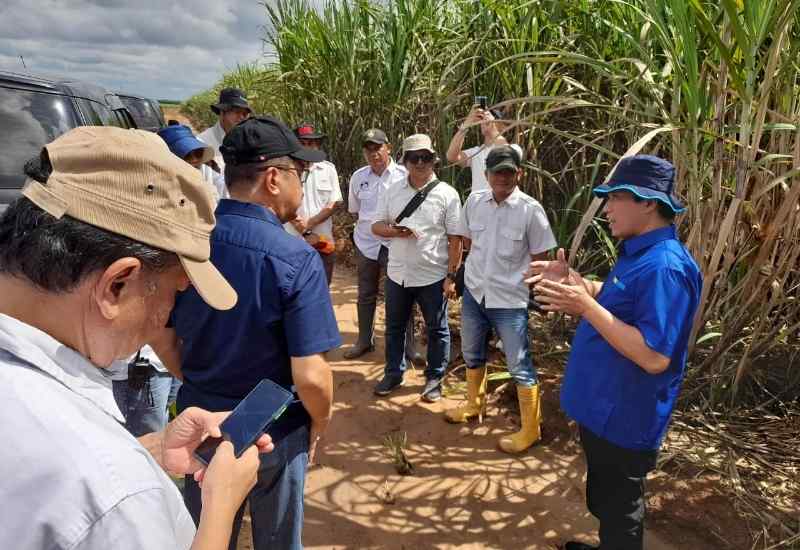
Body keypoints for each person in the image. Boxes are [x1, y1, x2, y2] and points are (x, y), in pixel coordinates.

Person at [0, 126, 273, 549]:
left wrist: (152, 447)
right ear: (117, 286)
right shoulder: (113, 494)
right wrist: (221, 505)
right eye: (172, 295)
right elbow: (97, 489)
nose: (167, 319)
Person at [165, 116, 341, 550]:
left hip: (199, 425)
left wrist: (199, 382)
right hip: (272, 427)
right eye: (300, 175)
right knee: (278, 539)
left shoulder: (188, 244)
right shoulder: (295, 258)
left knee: (206, 531)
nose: (302, 187)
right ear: (274, 179)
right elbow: (312, 376)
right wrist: (320, 423)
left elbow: (161, 335)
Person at [529, 155, 702, 550]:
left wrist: (586, 307)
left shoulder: (666, 268)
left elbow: (655, 356)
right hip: (604, 407)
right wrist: (579, 285)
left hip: (624, 416)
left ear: (648, 202)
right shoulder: (639, 254)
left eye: (616, 197)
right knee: (606, 500)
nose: (606, 208)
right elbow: (621, 301)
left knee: (621, 509)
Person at [445, 146, 556, 453]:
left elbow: (540, 258)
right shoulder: (475, 201)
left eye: (509, 172)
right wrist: (456, 277)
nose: (503, 178)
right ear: (487, 175)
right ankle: (473, 405)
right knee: (471, 352)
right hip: (475, 292)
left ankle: (531, 429)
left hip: (509, 299)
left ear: (519, 174)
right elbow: (468, 243)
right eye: (498, 172)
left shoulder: (530, 210)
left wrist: (541, 294)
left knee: (519, 364)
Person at [371, 133, 463, 402]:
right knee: (395, 327)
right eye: (414, 157)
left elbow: (455, 239)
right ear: (405, 161)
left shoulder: (447, 194)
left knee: (437, 328)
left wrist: (451, 276)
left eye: (426, 157)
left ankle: (435, 376)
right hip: (398, 273)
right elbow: (375, 225)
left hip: (433, 275)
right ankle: (393, 373)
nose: (420, 163)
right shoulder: (392, 191)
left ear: (434, 159)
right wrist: (394, 232)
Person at [343, 128, 419, 362]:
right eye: (369, 148)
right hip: (366, 243)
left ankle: (409, 347)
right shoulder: (358, 177)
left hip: (396, 244)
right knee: (365, 294)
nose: (374, 153)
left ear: (388, 147)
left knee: (401, 294)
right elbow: (355, 211)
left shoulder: (403, 175)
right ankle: (364, 341)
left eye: (378, 147)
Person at [283, 123, 342, 285]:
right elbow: (282, 202)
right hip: (292, 243)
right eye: (303, 143)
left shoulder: (328, 169)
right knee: (292, 288)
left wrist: (310, 224)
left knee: (322, 289)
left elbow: (334, 202)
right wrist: (303, 230)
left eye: (312, 143)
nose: (308, 147)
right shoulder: (285, 170)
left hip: (323, 242)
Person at [446, 103, 523, 194]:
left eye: (491, 117)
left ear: (502, 126)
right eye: (483, 118)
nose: (485, 120)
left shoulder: (514, 148)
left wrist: (492, 129)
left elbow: (507, 155)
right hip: (479, 206)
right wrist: (466, 124)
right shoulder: (475, 152)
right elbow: (451, 156)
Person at [159, 123, 228, 202]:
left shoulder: (205, 171)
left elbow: (223, 186)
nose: (194, 159)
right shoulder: (162, 184)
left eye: (198, 153)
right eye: (187, 155)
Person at [198, 87, 252, 175]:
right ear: (222, 113)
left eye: (245, 114)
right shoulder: (202, 143)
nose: (242, 117)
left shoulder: (249, 142)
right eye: (237, 112)